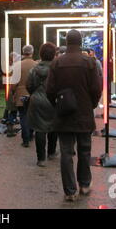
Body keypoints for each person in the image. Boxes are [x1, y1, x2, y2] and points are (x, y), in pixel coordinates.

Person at [46, 29, 102, 202]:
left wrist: (57, 105)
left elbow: (49, 90)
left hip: (64, 115)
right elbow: (96, 89)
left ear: (67, 42)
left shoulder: (56, 63)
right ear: (80, 42)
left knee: (66, 153)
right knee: (85, 150)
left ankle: (70, 191)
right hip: (84, 113)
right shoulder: (90, 62)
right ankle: (84, 184)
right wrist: (91, 105)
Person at [26, 42, 57, 167]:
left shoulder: (34, 69)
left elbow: (29, 85)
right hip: (53, 101)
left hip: (37, 101)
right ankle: (51, 152)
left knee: (39, 129)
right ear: (54, 54)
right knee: (53, 127)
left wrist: (35, 94)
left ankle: (41, 159)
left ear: (41, 54)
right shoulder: (57, 69)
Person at [10, 45, 38, 147]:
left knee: (23, 116)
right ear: (32, 52)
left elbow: (13, 83)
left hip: (20, 93)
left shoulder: (17, 65)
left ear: (23, 52)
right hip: (33, 93)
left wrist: (13, 92)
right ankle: (30, 134)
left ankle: (25, 139)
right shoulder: (36, 65)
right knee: (32, 115)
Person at [1, 52, 20, 125]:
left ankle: (5, 118)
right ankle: (11, 120)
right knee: (12, 104)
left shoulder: (10, 66)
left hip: (9, 85)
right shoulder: (10, 67)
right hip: (10, 86)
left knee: (9, 104)